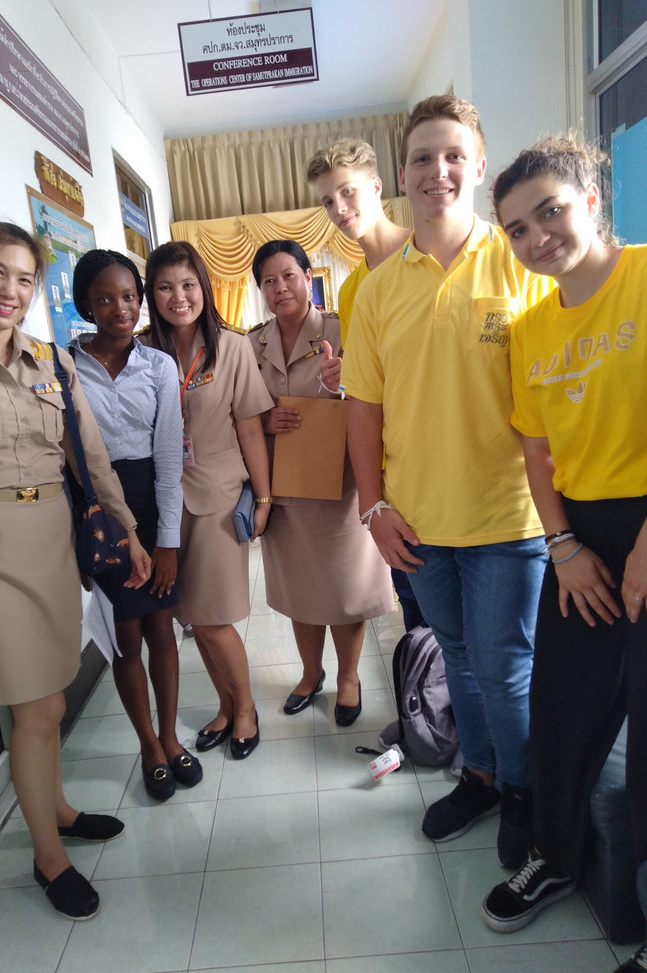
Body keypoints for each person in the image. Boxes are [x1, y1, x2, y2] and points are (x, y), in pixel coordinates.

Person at [341, 95, 552, 869]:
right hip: (419, 523)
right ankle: (482, 775)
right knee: (457, 659)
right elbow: (362, 407)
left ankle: (525, 794)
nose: (439, 170)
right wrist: (374, 508)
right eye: (424, 157)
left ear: (481, 166)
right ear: (402, 173)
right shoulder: (378, 288)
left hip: (509, 518)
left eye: (454, 154)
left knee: (503, 666)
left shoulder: (521, 261)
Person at [0, 221, 150, 920]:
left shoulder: (52, 360)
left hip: (52, 540)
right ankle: (49, 856)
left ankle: (59, 808)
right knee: (39, 707)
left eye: (23, 279)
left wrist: (129, 532)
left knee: (51, 691)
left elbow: (92, 456)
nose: (10, 291)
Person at [481, 136, 647, 973]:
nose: (537, 235)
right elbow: (537, 454)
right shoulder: (530, 327)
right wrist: (565, 545)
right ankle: (555, 855)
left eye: (550, 209)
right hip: (581, 535)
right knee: (561, 704)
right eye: (516, 227)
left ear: (590, 193)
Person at [70, 249, 200, 801]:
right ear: (86, 306)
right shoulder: (63, 367)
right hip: (102, 513)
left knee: (162, 631)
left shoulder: (159, 365)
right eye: (105, 298)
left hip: (152, 503)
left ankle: (170, 737)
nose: (120, 308)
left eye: (128, 296)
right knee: (125, 639)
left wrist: (166, 542)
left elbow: (170, 459)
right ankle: (147, 743)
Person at [249, 239, 393, 724]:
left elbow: (379, 394)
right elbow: (241, 411)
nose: (280, 287)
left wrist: (343, 381)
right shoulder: (253, 344)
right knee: (299, 590)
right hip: (283, 489)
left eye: (288, 275)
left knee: (342, 590)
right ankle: (311, 674)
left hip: (340, 487)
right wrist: (264, 421)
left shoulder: (341, 327)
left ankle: (349, 676)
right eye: (269, 280)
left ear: (308, 277)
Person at [142, 240, 273, 759]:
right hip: (162, 504)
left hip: (217, 498)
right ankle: (225, 705)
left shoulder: (232, 347)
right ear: (152, 293)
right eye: (166, 287)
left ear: (205, 288)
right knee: (189, 618)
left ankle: (245, 710)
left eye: (189, 285)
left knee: (214, 619)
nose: (179, 296)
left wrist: (263, 498)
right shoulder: (142, 349)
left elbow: (250, 429)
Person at [306, 138, 424, 632]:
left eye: (348, 192)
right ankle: (429, 711)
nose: (339, 209)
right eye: (328, 201)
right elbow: (366, 387)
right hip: (397, 473)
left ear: (378, 186)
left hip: (456, 465)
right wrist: (343, 376)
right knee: (419, 621)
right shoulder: (354, 289)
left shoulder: (427, 254)